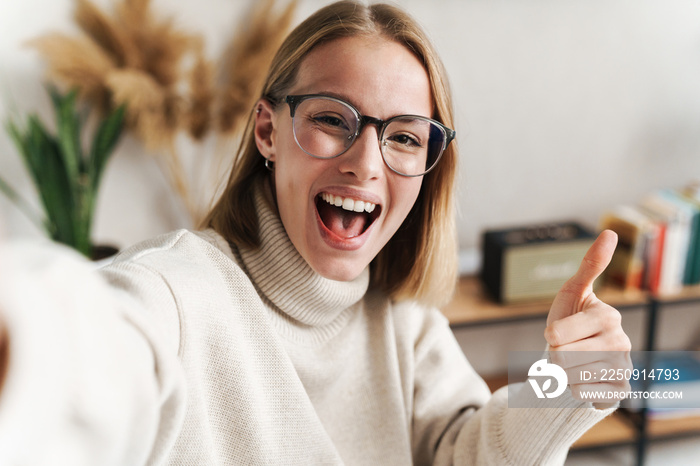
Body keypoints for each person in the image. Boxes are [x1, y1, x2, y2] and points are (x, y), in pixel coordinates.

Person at [0, 1, 631, 464]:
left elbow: (465, 452)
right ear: (268, 132)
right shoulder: (178, 293)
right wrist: (31, 331)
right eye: (334, 119)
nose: (365, 161)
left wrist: (568, 388)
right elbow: (100, 348)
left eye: (405, 137)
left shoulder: (403, 321)